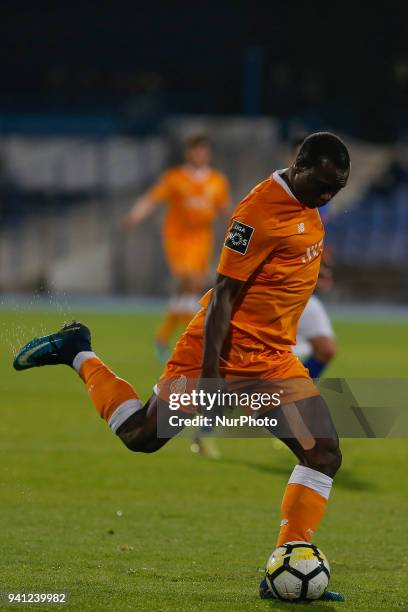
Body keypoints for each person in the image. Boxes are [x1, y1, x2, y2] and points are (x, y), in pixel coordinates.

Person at [14, 132, 350, 601]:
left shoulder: (309, 204)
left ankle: (290, 559)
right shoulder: (257, 213)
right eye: (324, 184)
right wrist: (212, 375)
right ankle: (77, 351)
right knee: (142, 437)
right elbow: (222, 300)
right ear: (300, 165)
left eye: (338, 187)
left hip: (271, 359)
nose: (329, 195)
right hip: (222, 354)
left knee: (323, 454)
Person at [122, 134, 230, 360]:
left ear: (208, 154)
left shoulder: (217, 181)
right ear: (188, 153)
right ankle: (195, 338)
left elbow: (226, 212)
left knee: (189, 288)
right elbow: (152, 199)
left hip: (202, 240)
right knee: (189, 279)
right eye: (196, 150)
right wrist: (135, 216)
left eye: (203, 150)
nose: (200, 154)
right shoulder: (174, 178)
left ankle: (162, 337)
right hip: (178, 239)